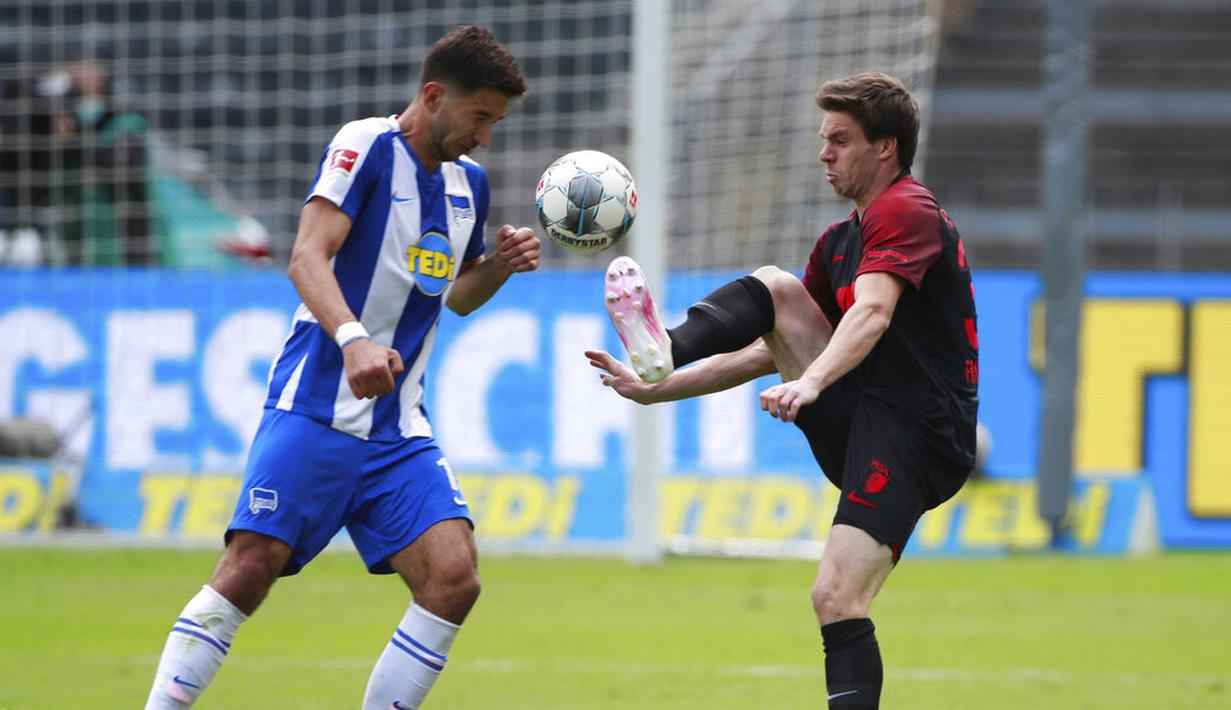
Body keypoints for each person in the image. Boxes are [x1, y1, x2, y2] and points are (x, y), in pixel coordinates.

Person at [144, 26, 537, 709]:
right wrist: (354, 341)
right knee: (249, 568)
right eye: (479, 117)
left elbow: (455, 295)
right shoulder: (366, 146)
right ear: (433, 96)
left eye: (494, 123)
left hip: (396, 429)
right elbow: (306, 256)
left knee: (453, 578)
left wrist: (498, 266)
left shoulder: (468, 184)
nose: (484, 137)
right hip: (317, 407)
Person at [587, 72, 978, 708]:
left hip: (917, 434)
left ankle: (666, 346)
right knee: (778, 291)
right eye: (824, 139)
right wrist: (662, 387)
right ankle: (663, 350)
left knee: (836, 595)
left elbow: (873, 313)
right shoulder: (839, 241)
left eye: (840, 140)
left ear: (886, 147)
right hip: (863, 420)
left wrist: (813, 380)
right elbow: (771, 346)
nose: (824, 153)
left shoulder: (907, 209)